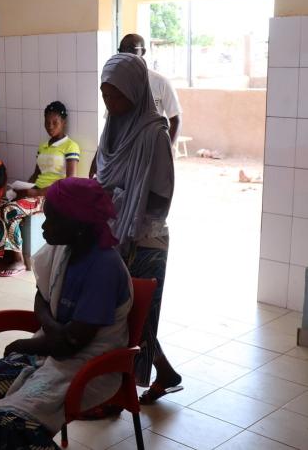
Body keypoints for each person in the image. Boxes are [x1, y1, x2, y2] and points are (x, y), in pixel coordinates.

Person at [0, 178, 132, 449]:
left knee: (9, 423)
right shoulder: (63, 250)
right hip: (51, 350)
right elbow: (42, 298)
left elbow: (73, 344)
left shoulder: (103, 267)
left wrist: (27, 343)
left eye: (52, 219)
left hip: (89, 366)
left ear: (80, 225)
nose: (44, 225)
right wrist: (51, 328)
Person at [96, 52, 181, 405]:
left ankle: (120, 395)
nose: (109, 102)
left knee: (136, 319)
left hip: (145, 239)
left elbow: (162, 196)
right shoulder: (113, 128)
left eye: (115, 95)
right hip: (114, 233)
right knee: (123, 317)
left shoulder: (153, 134)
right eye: (104, 94)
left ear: (134, 90)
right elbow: (100, 171)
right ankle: (156, 376)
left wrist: (124, 204)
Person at [0, 101, 79, 277]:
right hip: (35, 191)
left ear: (64, 122)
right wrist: (20, 189)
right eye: (47, 122)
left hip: (52, 196)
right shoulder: (43, 146)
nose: (50, 126)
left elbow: (69, 182)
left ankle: (19, 260)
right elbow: (36, 175)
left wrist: (37, 193)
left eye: (55, 122)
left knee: (9, 212)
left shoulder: (70, 146)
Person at [119, 34, 182, 143]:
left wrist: (166, 150)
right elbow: (112, 122)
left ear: (143, 52)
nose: (126, 54)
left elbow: (175, 121)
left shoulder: (161, 82)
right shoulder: (118, 83)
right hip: (125, 150)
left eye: (131, 49)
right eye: (122, 50)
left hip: (152, 147)